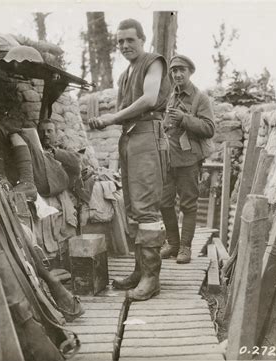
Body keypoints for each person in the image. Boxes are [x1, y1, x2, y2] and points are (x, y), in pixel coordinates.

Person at [88, 18, 170, 301]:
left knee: (146, 206)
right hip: (131, 137)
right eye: (120, 41)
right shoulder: (126, 73)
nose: (124, 46)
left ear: (142, 39)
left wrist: (112, 118)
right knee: (134, 206)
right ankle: (139, 270)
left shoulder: (153, 62)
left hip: (147, 134)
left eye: (130, 40)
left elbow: (148, 99)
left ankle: (151, 277)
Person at [160, 54, 215, 263]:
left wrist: (184, 119)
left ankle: (185, 248)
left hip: (188, 160)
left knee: (188, 205)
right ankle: (172, 244)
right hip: (168, 160)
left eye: (181, 70)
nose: (177, 74)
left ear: (190, 72)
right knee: (164, 203)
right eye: (174, 71)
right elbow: (167, 124)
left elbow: (209, 128)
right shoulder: (172, 96)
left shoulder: (200, 97)